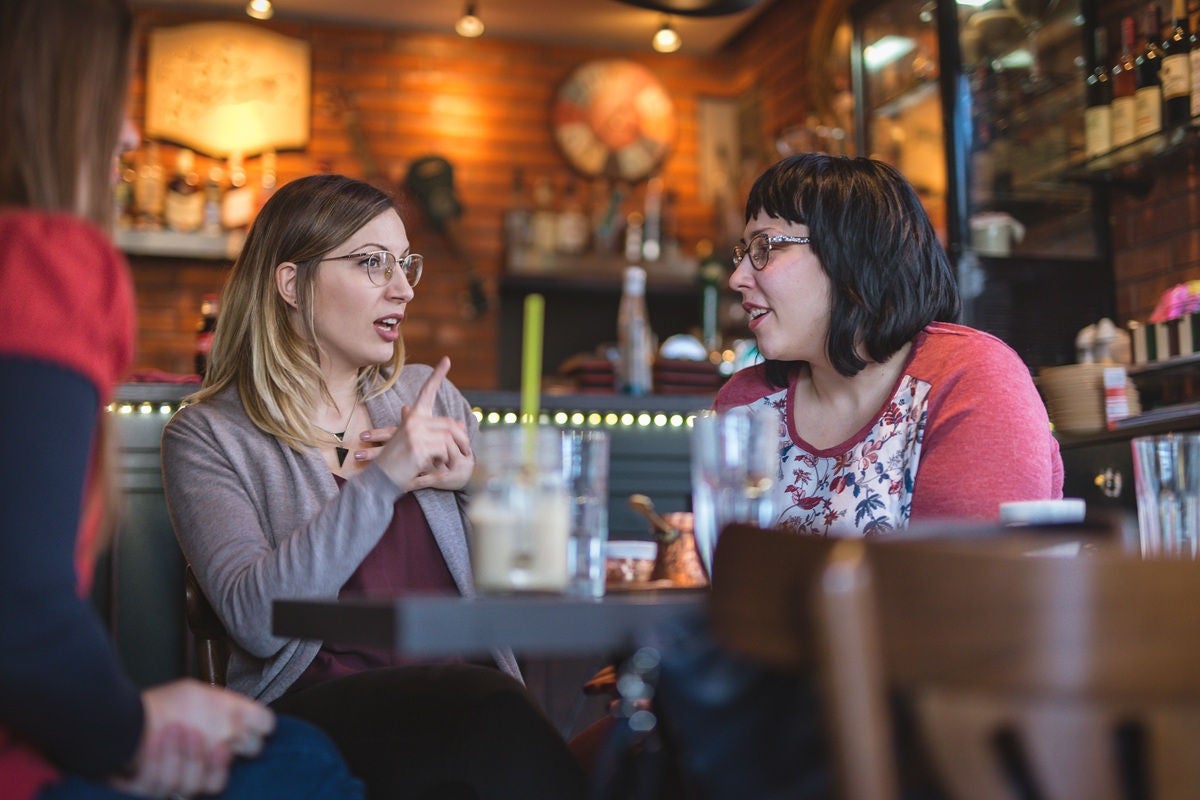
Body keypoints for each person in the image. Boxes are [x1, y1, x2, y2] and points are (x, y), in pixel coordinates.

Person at [0, 1, 363, 799]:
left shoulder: (427, 409)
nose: (130, 135)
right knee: (309, 762)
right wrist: (134, 728)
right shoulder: (41, 264)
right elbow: (20, 607)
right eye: (110, 102)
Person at [160, 172, 586, 799]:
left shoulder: (425, 398)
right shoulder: (208, 437)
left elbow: (549, 572)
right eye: (372, 263)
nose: (404, 288)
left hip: (470, 716)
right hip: (318, 717)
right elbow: (256, 620)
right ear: (291, 283)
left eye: (405, 264)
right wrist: (381, 482)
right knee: (490, 710)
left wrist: (477, 480)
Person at [716, 152, 1062, 535]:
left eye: (765, 247)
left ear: (850, 251)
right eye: (743, 253)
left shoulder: (969, 381)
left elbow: (972, 584)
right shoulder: (747, 407)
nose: (737, 278)